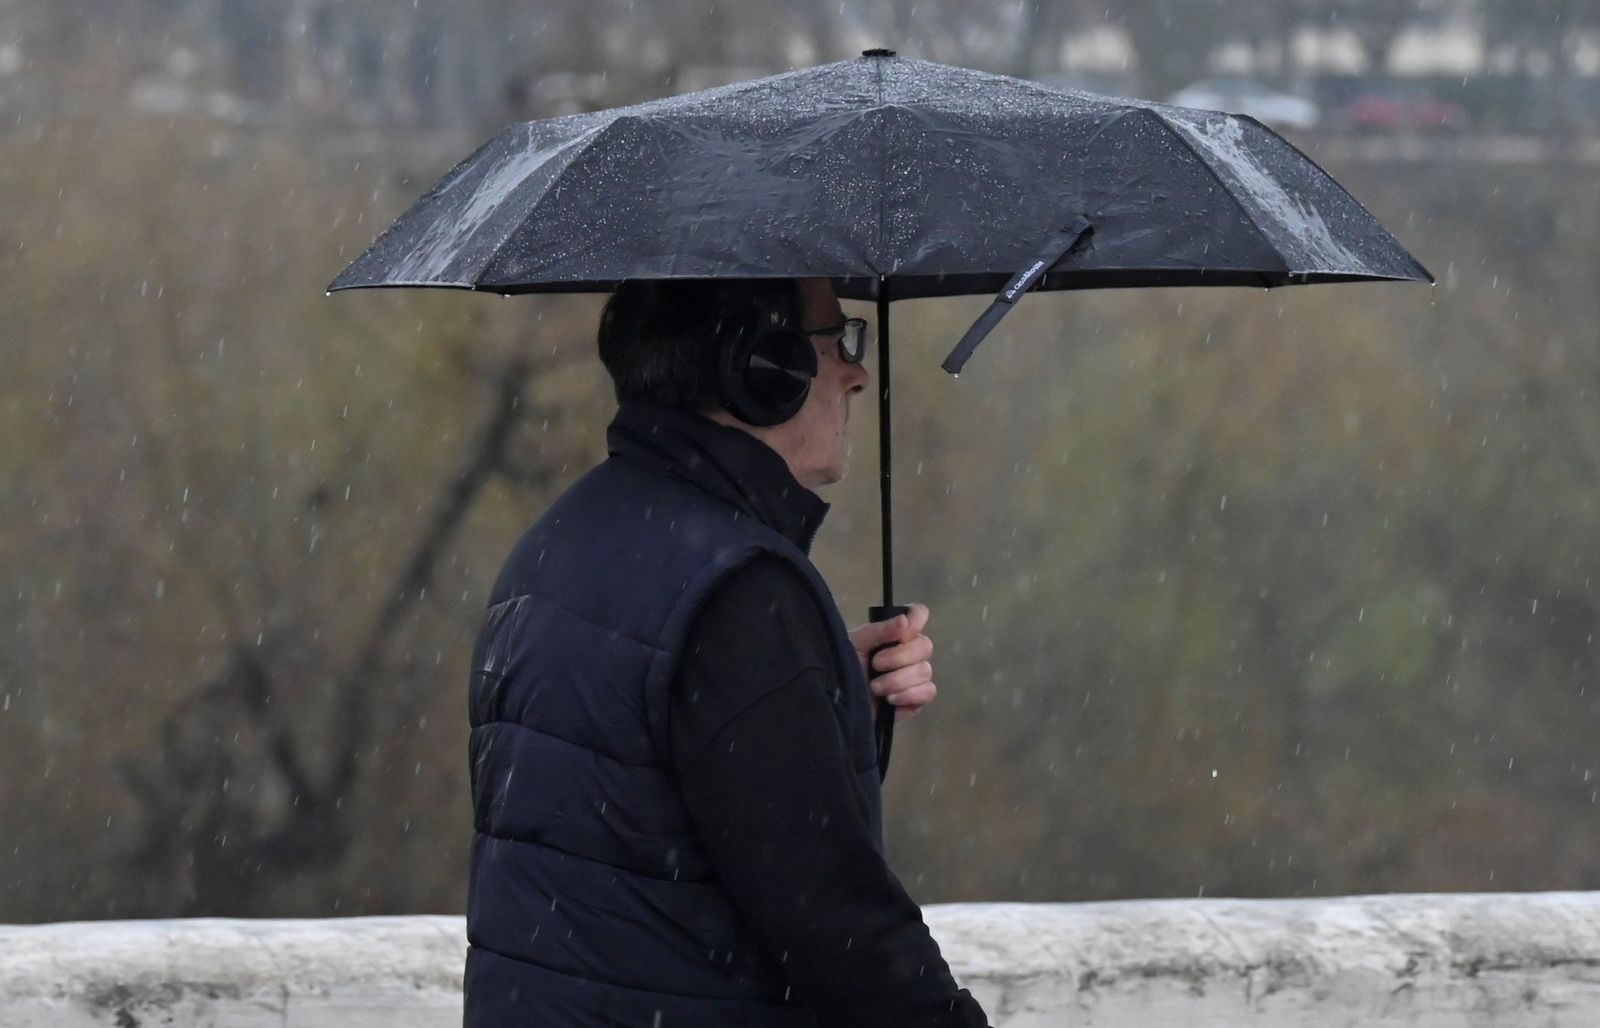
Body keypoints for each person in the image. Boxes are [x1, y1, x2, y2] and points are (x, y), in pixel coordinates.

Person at [464, 277, 990, 1027]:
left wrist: (822, 697)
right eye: (835, 340)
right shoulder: (739, 593)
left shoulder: (558, 541)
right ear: (762, 367)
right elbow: (839, 925)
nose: (856, 372)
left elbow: (624, 789)